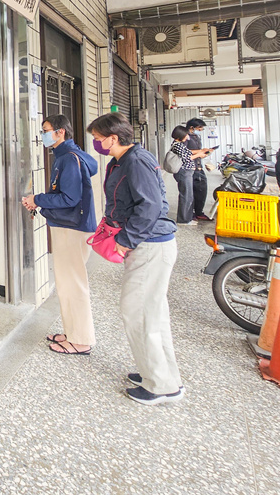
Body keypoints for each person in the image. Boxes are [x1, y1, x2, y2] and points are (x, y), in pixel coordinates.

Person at [88, 113, 183, 405]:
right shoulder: (126, 159)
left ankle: (160, 386)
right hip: (149, 244)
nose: (96, 143)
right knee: (152, 313)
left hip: (150, 245)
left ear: (112, 139)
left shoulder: (136, 161)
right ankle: (158, 374)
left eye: (98, 138)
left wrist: (123, 242)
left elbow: (150, 206)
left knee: (139, 312)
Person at [21, 115, 98, 356]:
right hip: (71, 226)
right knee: (67, 283)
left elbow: (69, 198)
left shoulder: (68, 159)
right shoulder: (69, 156)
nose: (42, 135)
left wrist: (37, 200)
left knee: (73, 284)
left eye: (46, 130)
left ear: (60, 132)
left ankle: (81, 340)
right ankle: (72, 332)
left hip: (72, 229)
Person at [169, 125, 207, 225]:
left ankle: (188, 218)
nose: (188, 137)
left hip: (187, 173)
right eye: (186, 135)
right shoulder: (177, 145)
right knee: (186, 196)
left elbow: (188, 152)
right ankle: (184, 220)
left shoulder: (180, 144)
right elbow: (187, 157)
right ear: (180, 135)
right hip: (183, 173)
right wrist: (199, 155)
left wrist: (200, 151)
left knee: (188, 196)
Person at [185, 117, 213, 221]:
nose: (201, 129)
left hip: (198, 165)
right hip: (191, 166)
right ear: (192, 127)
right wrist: (200, 152)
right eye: (199, 127)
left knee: (201, 189)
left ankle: (198, 211)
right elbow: (185, 152)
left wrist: (203, 151)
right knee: (192, 190)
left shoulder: (195, 136)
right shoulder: (185, 137)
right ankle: (192, 213)